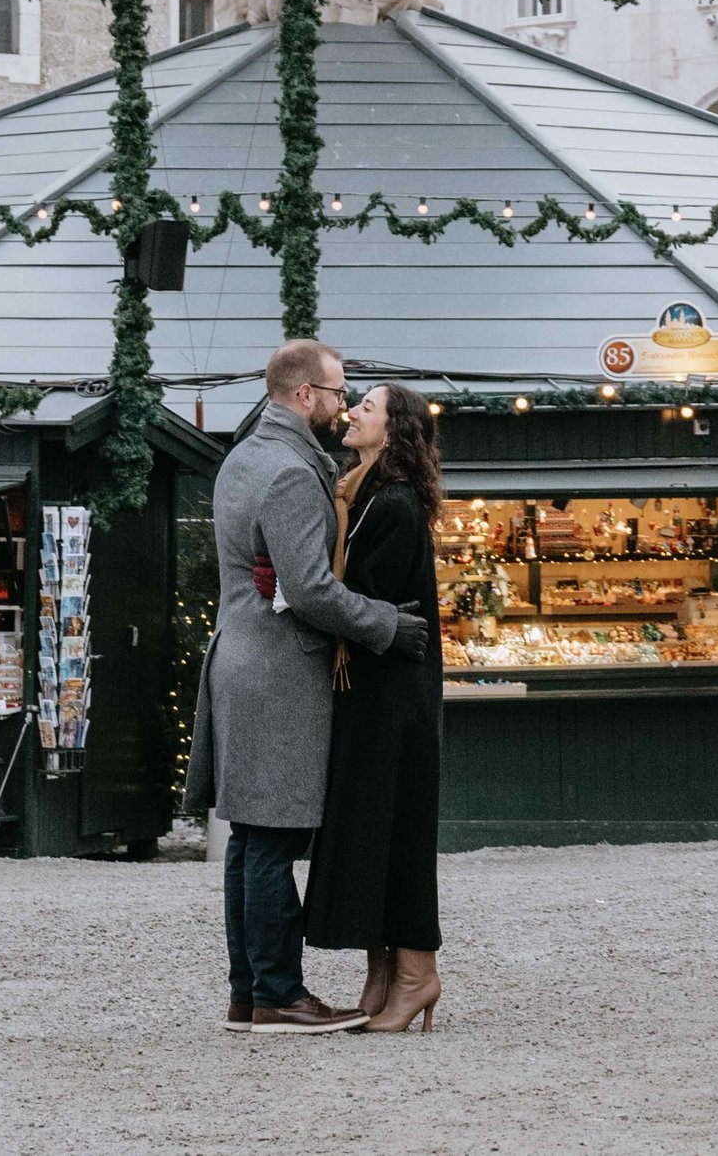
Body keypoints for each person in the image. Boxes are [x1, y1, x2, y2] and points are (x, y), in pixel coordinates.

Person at [183, 340, 431, 1036]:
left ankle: (248, 993)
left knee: (248, 839)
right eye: (336, 391)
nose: (341, 403)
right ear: (303, 395)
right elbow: (311, 587)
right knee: (272, 841)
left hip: (240, 658)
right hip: (278, 671)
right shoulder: (292, 470)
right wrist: (384, 623)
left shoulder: (243, 456)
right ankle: (280, 995)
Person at [300, 381, 447, 1033]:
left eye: (368, 407)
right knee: (373, 831)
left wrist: (298, 590)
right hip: (372, 693)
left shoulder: (392, 506)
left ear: (394, 430)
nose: (353, 411)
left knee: (398, 832)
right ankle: (381, 972)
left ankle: (416, 976)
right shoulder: (363, 494)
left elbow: (364, 604)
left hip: (394, 699)